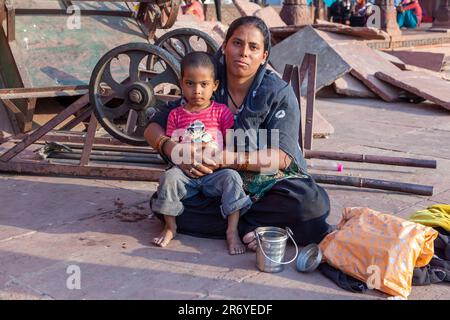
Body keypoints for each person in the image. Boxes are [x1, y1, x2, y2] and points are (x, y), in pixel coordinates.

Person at [145, 16, 331, 252]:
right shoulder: (206, 80)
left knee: (311, 206)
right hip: (212, 183)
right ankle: (260, 227)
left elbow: (283, 158)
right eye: (237, 43)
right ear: (224, 46)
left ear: (264, 56)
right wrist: (172, 149)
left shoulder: (277, 92)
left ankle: (240, 224)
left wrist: (228, 159)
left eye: (253, 47)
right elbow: (153, 127)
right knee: (164, 198)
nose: (243, 52)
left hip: (262, 185)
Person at [151, 52, 251, 255]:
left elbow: (232, 144)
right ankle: (170, 227)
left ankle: (232, 231)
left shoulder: (221, 112)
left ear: (214, 85)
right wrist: (183, 155)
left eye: (204, 84)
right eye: (190, 83)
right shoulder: (175, 115)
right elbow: (172, 148)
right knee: (169, 177)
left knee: (232, 177)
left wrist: (218, 155)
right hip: (185, 175)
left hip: (215, 174)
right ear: (181, 83)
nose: (197, 91)